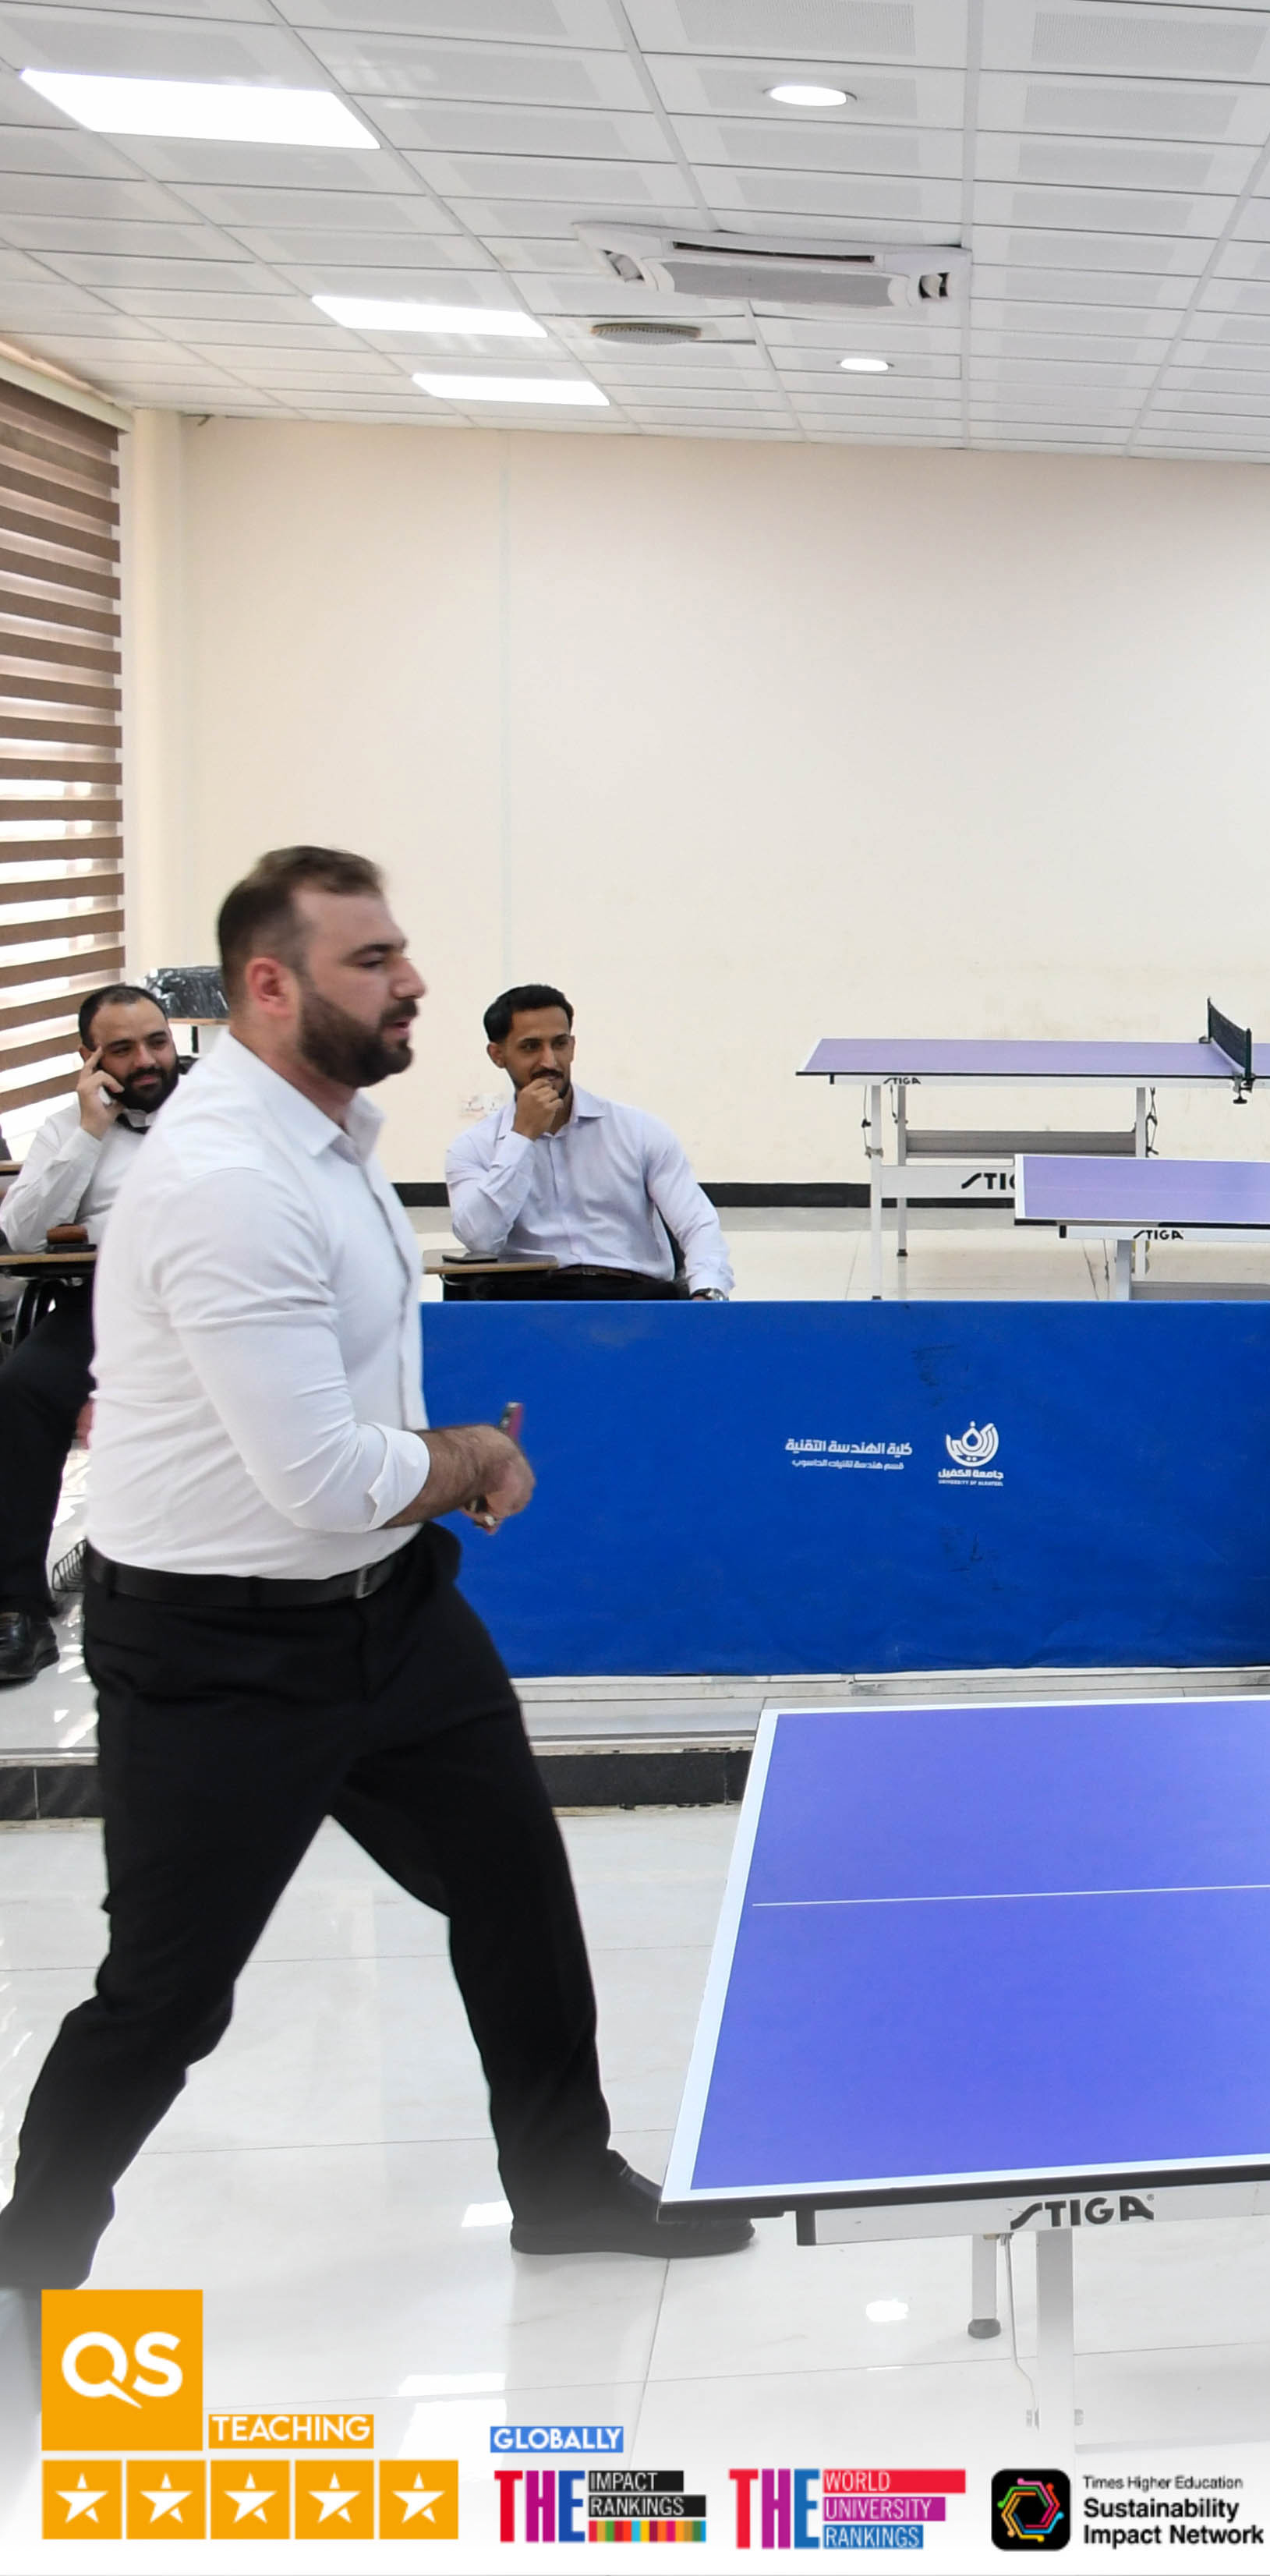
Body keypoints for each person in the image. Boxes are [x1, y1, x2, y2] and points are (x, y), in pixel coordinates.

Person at [0, 847, 752, 2290]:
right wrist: (469, 1458)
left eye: (400, 951)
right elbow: (323, 1477)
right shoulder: (226, 1181)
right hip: (216, 1649)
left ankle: (562, 2182)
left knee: (516, 1888)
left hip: (389, 1611)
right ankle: (27, 2267)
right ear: (269, 985)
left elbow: (347, 1442)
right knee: (167, 1997)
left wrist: (428, 1475)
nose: (411, 981)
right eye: (372, 960)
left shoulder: (332, 1139)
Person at [0, 986, 179, 1686]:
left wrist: (101, 1226)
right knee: (23, 1389)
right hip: (101, 1305)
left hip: (210, 1303)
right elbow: (21, 1236)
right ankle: (16, 1606)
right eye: (123, 1049)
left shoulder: (223, 1114)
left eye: (156, 1042)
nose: (147, 1060)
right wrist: (88, 1134)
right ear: (90, 1057)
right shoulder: (67, 1129)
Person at [442, 985, 732, 1299]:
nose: (549, 1061)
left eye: (560, 1044)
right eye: (530, 1047)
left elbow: (697, 1222)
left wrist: (707, 1293)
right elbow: (480, 1239)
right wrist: (521, 1137)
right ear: (498, 1055)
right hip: (532, 1302)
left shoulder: (638, 1130)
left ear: (573, 1047)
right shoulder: (473, 1148)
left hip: (635, 1297)